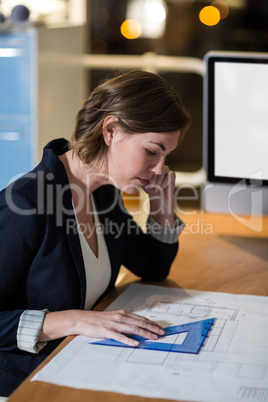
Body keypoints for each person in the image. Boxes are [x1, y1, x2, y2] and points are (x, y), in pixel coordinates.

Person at [0, 70, 191, 396]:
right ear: (111, 130)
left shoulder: (104, 193)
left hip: (81, 362)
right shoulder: (27, 201)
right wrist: (74, 320)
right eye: (152, 151)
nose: (160, 169)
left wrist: (161, 210)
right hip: (28, 381)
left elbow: (152, 267)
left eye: (165, 157)